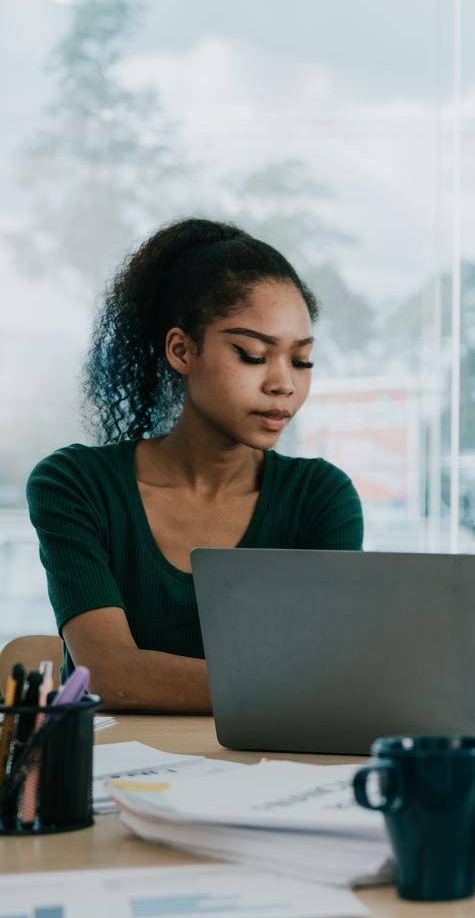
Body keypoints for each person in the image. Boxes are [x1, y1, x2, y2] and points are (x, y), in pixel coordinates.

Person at [27, 218, 362, 714]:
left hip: (267, 773)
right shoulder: (76, 484)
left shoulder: (321, 496)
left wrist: (306, 683)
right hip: (113, 778)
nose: (283, 384)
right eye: (252, 355)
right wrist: (286, 686)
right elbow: (110, 674)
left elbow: (327, 670)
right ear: (182, 350)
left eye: (302, 361)